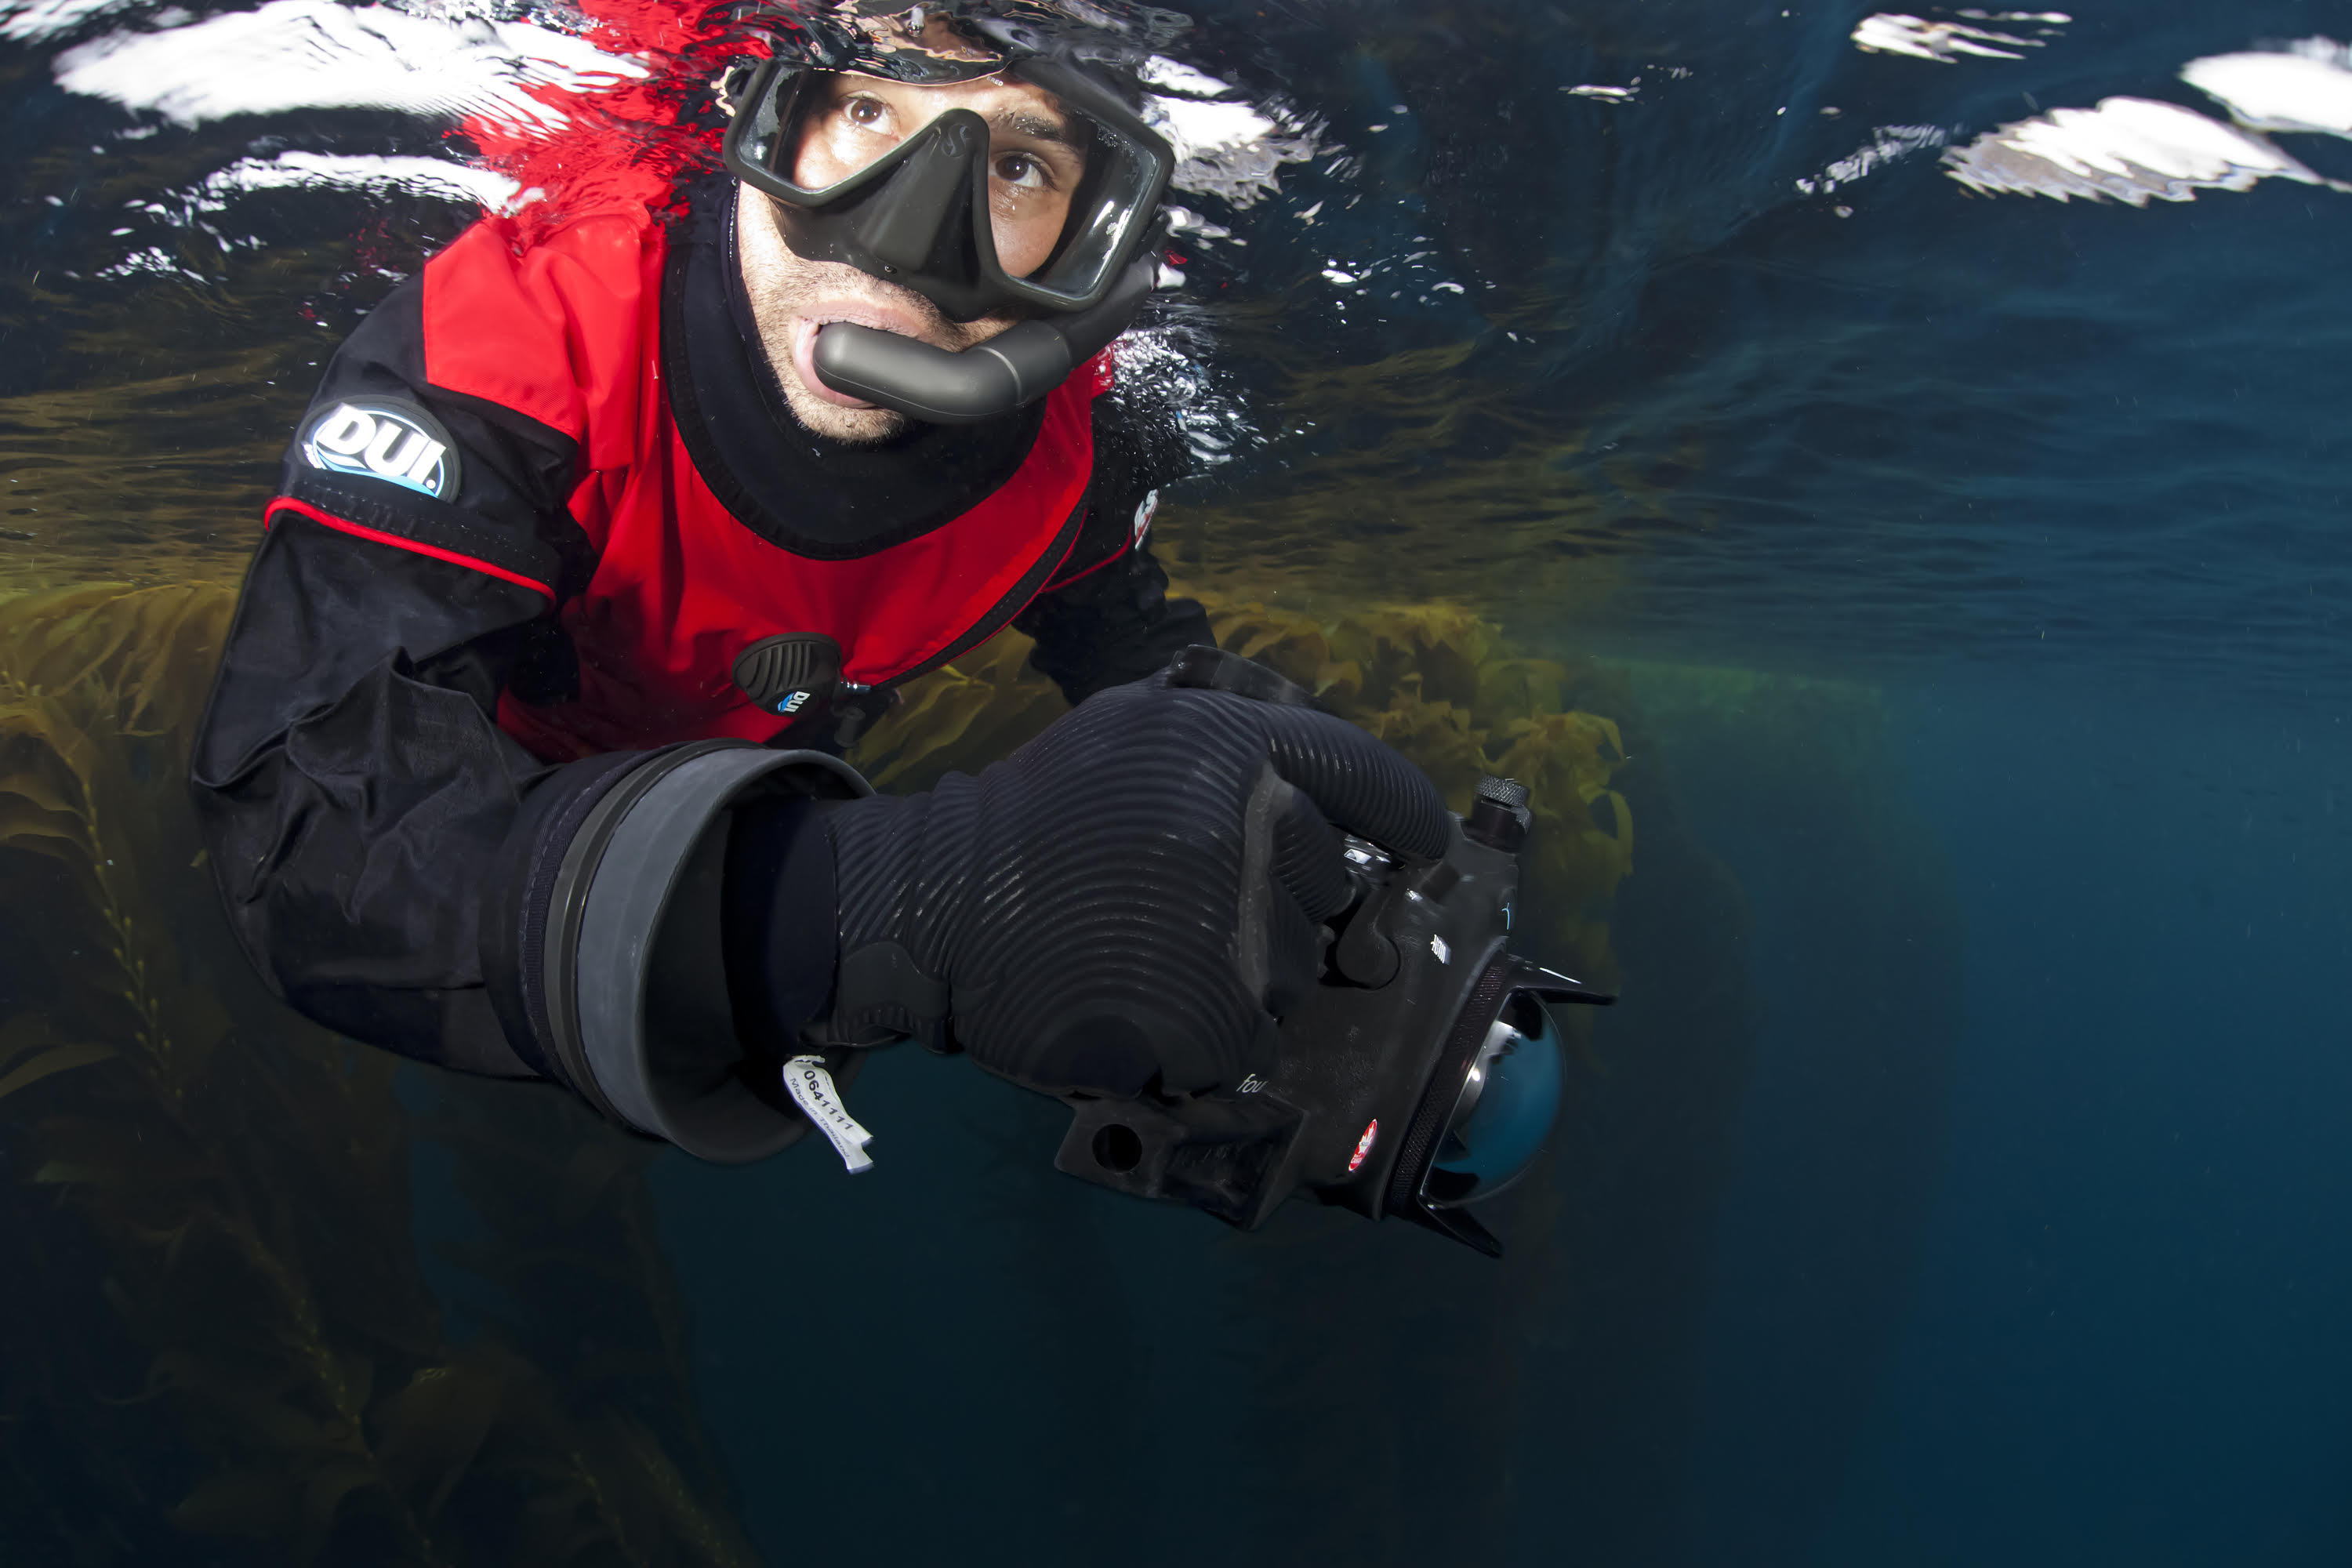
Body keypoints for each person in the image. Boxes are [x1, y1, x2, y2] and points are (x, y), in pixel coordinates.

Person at [191, 2, 1448, 1164]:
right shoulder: (518, 340)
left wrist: (1301, 825)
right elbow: (311, 833)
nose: (905, 243)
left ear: (1098, 235)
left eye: (1018, 167)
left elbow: (1126, 638)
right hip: (524, 804)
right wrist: (859, 906)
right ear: (764, 113)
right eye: (865, 113)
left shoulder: (1078, 454)